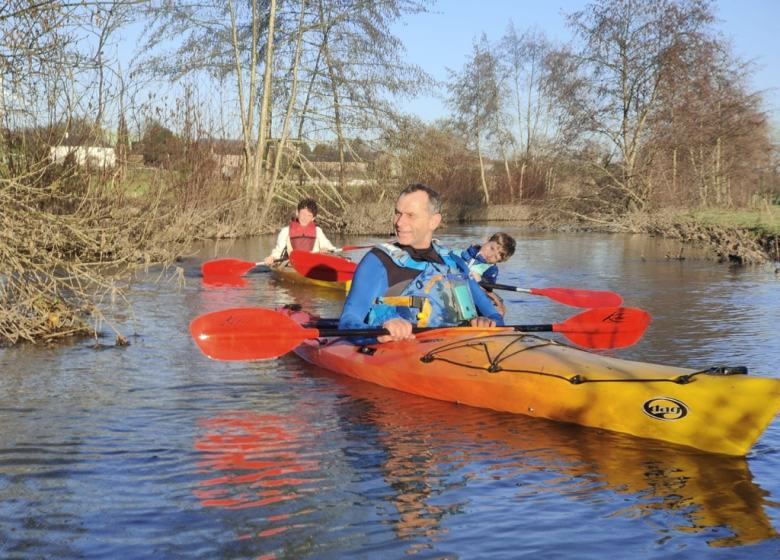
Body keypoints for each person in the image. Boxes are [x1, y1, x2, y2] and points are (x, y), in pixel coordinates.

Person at [339, 184, 504, 345]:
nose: (399, 222)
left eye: (411, 215)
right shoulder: (377, 261)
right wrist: (379, 333)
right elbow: (347, 322)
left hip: (455, 348)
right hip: (401, 356)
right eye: (398, 213)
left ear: (434, 221)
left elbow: (493, 314)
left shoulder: (453, 262)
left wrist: (487, 322)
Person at [455, 232, 516, 317]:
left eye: (495, 257)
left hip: (468, 301)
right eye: (492, 248)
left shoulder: (491, 269)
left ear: (497, 262)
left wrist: (480, 279)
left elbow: (489, 285)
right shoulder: (461, 253)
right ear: (487, 240)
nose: (490, 255)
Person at [263, 198, 335, 266]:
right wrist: (272, 258)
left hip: (313, 264)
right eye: (303, 213)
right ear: (297, 212)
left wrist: (326, 250)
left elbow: (330, 248)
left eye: (309, 215)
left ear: (313, 218)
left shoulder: (317, 231)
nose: (305, 217)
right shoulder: (286, 231)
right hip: (293, 265)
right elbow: (278, 252)